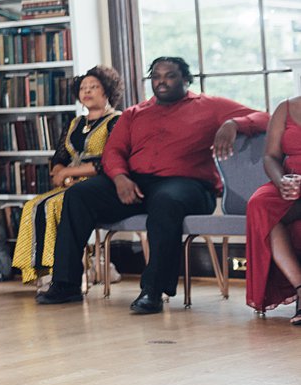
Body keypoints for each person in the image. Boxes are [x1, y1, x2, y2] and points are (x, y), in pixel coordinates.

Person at [38, 57, 268, 313]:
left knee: (165, 202)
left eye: (169, 76)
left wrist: (233, 123)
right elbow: (113, 152)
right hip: (137, 182)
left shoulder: (210, 106)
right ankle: (66, 284)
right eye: (156, 76)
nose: (161, 82)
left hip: (189, 184)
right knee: (78, 195)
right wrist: (120, 178)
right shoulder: (135, 113)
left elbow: (266, 117)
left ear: (186, 79)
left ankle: (153, 291)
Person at [10, 66, 123, 289]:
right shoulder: (75, 123)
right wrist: (59, 171)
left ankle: (61, 273)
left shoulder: (116, 121)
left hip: (99, 186)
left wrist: (67, 172)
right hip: (70, 184)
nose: (87, 91)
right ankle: (40, 271)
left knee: (53, 206)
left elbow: (107, 163)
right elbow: (59, 156)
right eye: (83, 88)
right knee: (33, 206)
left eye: (94, 87)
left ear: (107, 91)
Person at [244, 94, 301, 321]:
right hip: (291, 181)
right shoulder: (286, 108)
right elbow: (270, 156)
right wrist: (282, 181)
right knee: (260, 204)